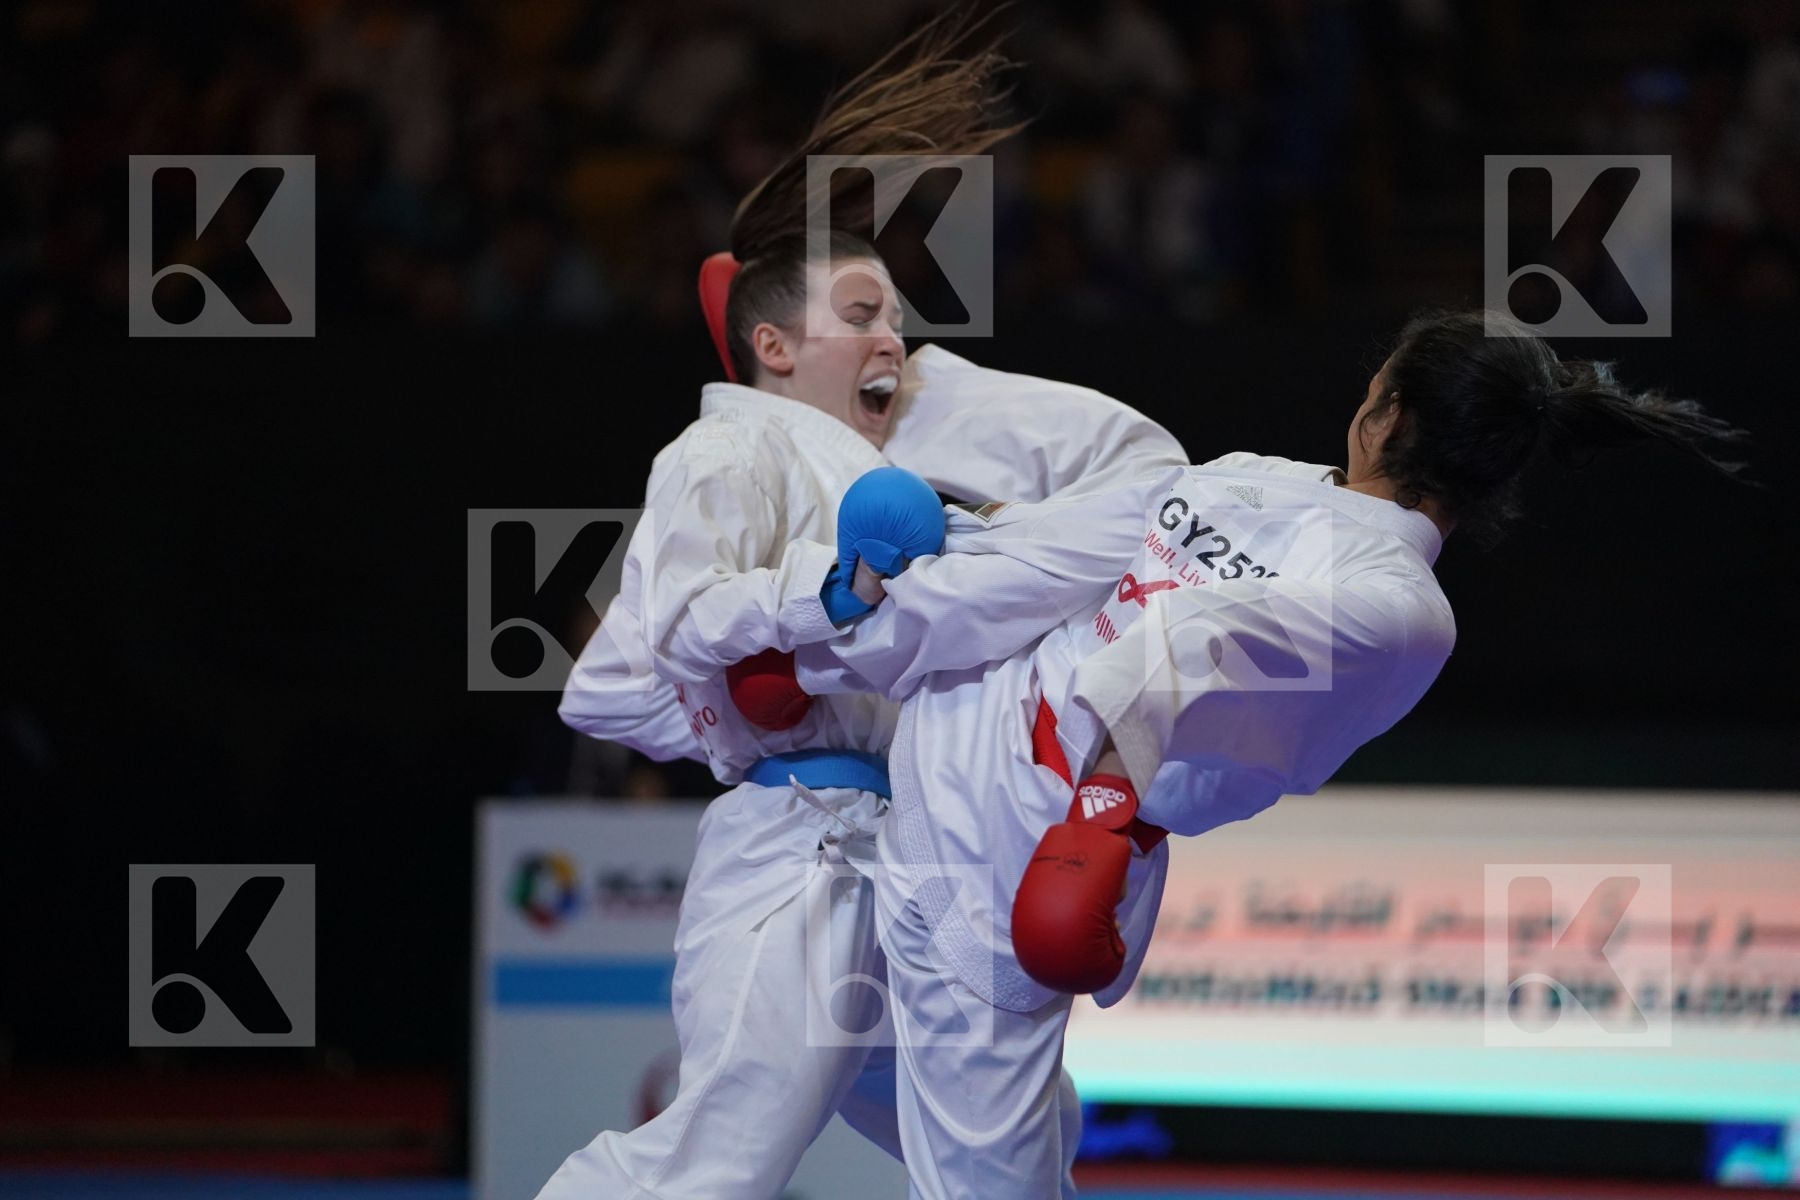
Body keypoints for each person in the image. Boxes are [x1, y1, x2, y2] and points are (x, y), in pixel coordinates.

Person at [738, 308, 1749, 1199]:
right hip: (970, 759)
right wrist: (828, 641)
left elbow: (1186, 646)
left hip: (1012, 850)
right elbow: (1046, 558)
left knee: (878, 1084)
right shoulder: (1251, 480)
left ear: (1384, 414)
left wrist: (1098, 815)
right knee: (886, 1093)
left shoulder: (1397, 610)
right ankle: (796, 385)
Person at [537, 13, 1187, 1199]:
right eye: (861, 315)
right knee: (720, 1161)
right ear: (771, 346)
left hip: (919, 850)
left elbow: (1149, 479)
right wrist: (783, 656)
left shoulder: (900, 433)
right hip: (800, 851)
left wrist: (792, 660)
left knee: (1023, 1137)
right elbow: (623, 673)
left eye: (896, 315)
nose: (896, 336)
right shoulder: (725, 452)